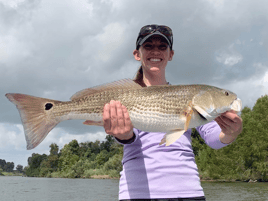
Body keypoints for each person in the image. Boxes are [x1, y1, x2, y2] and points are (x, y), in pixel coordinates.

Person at [102, 24, 243, 201]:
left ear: (171, 54)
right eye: (148, 46)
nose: (156, 51)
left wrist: (231, 133)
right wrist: (123, 135)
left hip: (188, 192)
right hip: (138, 193)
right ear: (137, 54)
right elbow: (130, 139)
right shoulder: (126, 96)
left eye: (162, 47)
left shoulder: (192, 98)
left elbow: (214, 138)